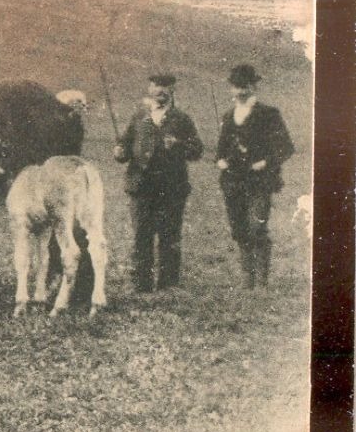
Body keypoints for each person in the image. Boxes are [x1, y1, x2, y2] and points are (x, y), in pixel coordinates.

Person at [114, 73, 205, 292]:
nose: (160, 90)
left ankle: (168, 284)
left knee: (169, 235)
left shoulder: (182, 119)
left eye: (165, 86)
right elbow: (124, 147)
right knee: (140, 235)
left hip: (171, 188)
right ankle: (140, 284)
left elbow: (197, 150)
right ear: (149, 89)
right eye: (156, 86)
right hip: (141, 186)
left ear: (173, 90)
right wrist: (119, 152)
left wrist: (178, 144)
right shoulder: (138, 117)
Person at [215, 63, 295, 288]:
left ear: (253, 86)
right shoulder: (228, 116)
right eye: (236, 87)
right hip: (232, 181)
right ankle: (246, 280)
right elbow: (220, 150)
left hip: (259, 182)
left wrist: (266, 162)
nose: (240, 92)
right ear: (231, 89)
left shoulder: (269, 114)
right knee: (239, 229)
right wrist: (220, 161)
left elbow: (286, 147)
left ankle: (261, 280)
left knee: (257, 227)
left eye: (245, 86)